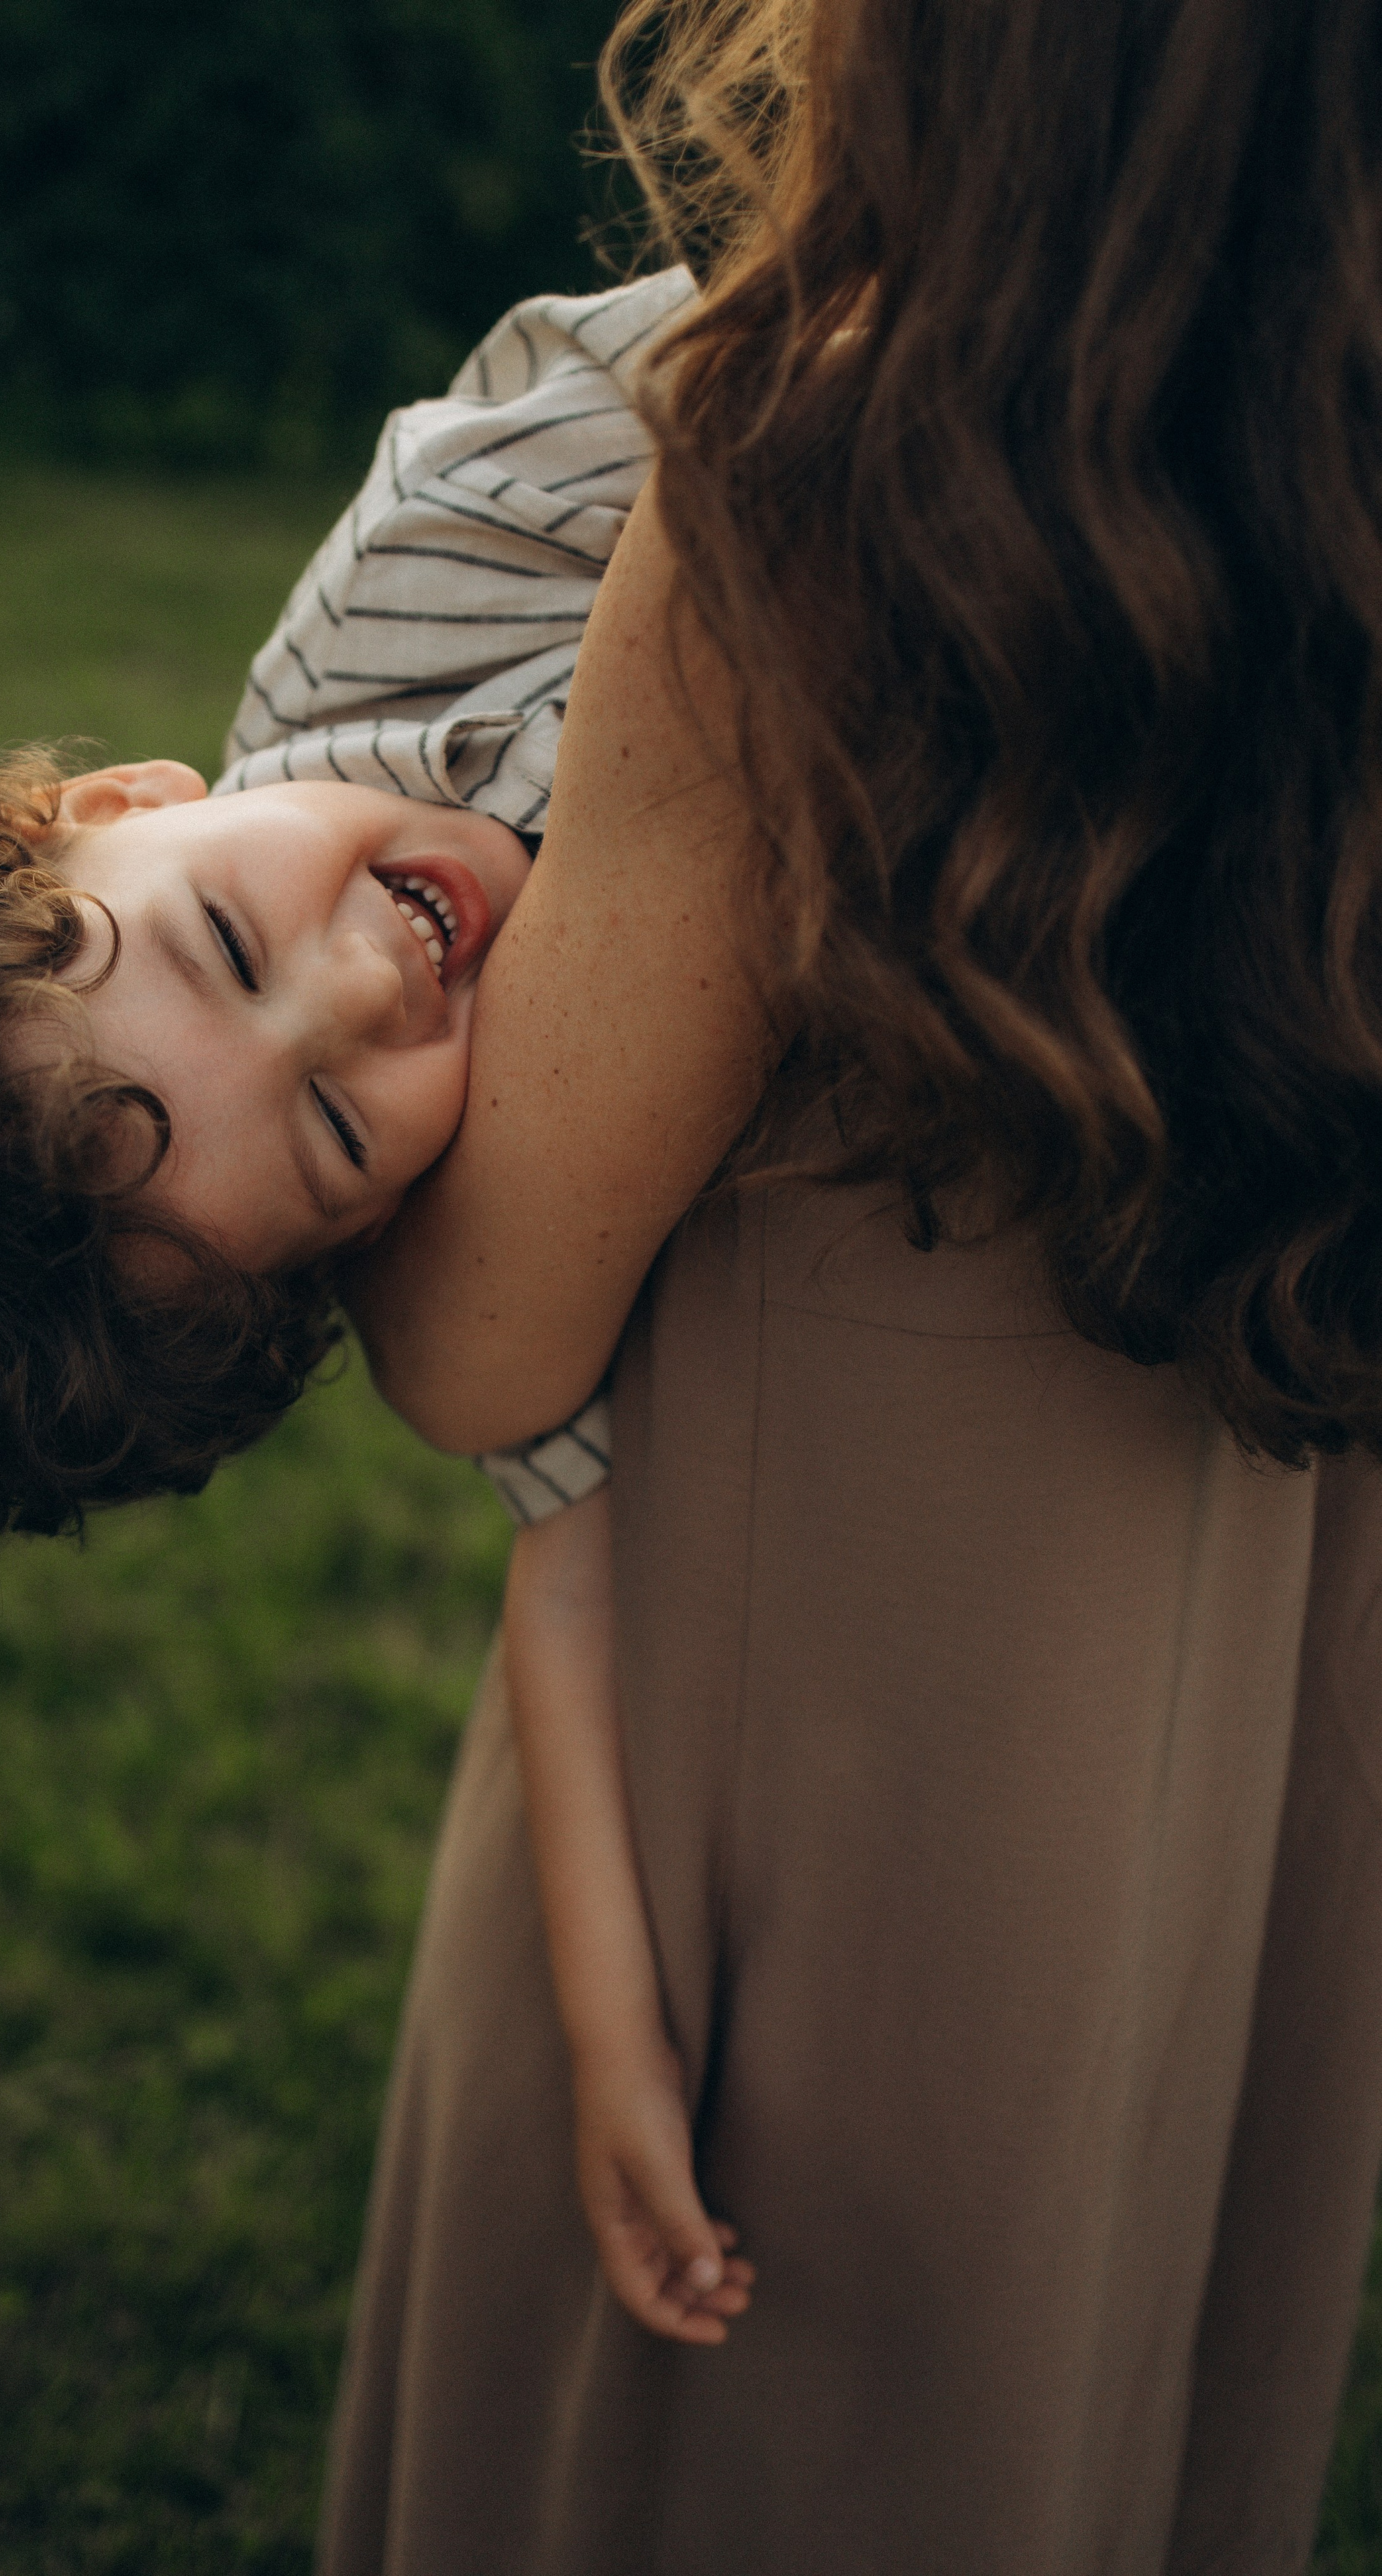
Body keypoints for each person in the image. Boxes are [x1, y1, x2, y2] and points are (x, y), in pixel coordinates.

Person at [309, 0, 1382, 2567]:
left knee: (732, 2453)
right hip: (1249, 1639)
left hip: (832, 1715)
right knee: (1093, 2373)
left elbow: (480, 1337)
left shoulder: (825, 489)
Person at [0, 272, 750, 2344]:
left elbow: (681, 347)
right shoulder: (482, 1235)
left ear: (130, 808)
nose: (372, 991)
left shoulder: (398, 598)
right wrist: (618, 2049)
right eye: (340, 1135)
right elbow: (575, 1583)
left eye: (236, 943)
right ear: (323, 1263)